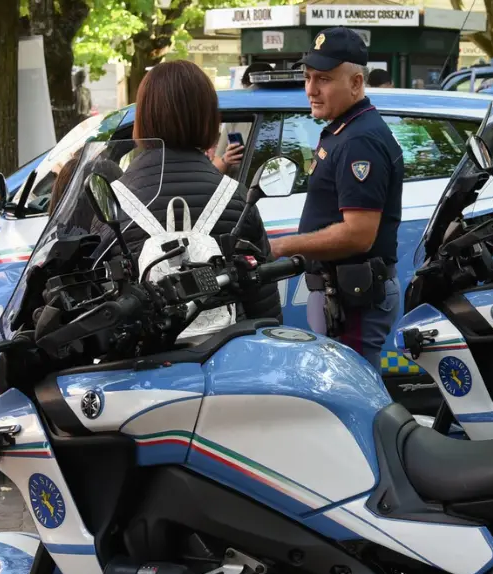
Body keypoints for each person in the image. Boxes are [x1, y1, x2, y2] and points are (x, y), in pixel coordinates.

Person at [269, 27, 403, 367]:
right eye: (308, 77)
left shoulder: (360, 140)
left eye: (324, 79)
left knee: (353, 398)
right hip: (340, 293)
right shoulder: (347, 130)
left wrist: (284, 246)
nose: (311, 89)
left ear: (356, 83)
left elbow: (359, 234)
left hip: (352, 298)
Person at [117, 59, 281, 324]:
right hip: (224, 354)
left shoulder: (113, 202)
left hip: (139, 360)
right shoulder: (236, 197)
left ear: (142, 117)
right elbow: (264, 303)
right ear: (208, 118)